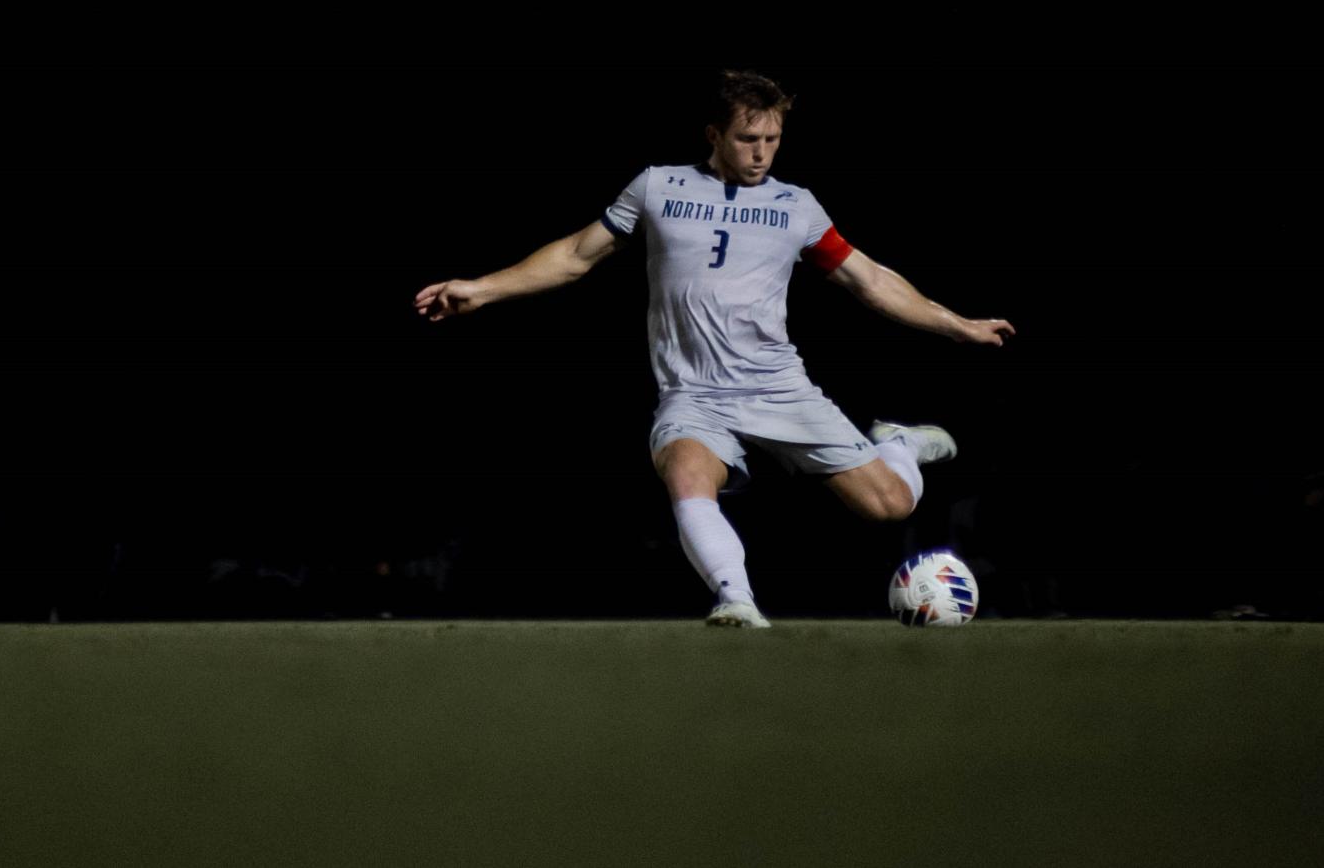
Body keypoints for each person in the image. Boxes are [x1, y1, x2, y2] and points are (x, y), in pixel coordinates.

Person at [414, 70, 1015, 628]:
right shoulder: (658, 187)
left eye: (773, 139)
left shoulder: (796, 207)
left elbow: (872, 281)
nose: (762, 152)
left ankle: (901, 445)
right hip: (693, 393)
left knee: (889, 506)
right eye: (748, 138)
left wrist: (957, 324)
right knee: (686, 475)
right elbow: (575, 256)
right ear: (714, 134)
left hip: (779, 387)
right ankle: (736, 599)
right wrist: (482, 289)